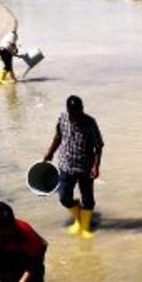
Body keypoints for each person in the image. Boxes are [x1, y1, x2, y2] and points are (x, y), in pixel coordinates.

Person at [44, 95, 104, 239]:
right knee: (64, 197)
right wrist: (50, 152)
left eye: (79, 112)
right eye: (74, 114)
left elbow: (99, 145)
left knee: (88, 199)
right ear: (68, 111)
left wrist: (96, 166)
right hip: (66, 165)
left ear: (82, 110)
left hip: (85, 167)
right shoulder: (62, 118)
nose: (77, 116)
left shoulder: (90, 122)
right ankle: (78, 219)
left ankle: (85, 227)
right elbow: (58, 137)